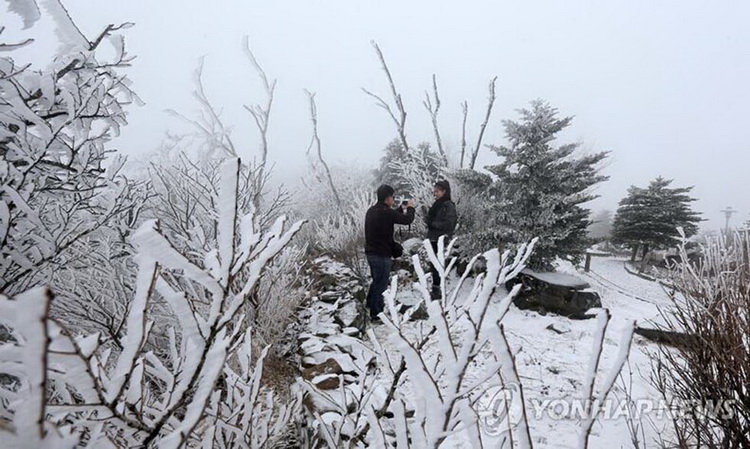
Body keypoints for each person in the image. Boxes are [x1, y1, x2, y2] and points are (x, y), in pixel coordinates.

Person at [365, 185, 415, 323]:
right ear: (388, 197)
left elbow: (390, 217)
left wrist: (399, 209)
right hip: (381, 254)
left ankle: (369, 304)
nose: (393, 199)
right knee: (381, 285)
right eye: (392, 197)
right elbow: (407, 220)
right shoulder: (386, 212)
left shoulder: (372, 211)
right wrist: (410, 208)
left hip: (371, 252)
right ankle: (376, 314)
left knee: (377, 280)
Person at [425, 180, 457, 299]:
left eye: (437, 191)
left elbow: (449, 224)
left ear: (444, 191)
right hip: (433, 238)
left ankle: (437, 291)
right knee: (434, 265)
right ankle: (436, 290)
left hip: (440, 240)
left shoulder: (448, 205)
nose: (435, 194)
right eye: (434, 192)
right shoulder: (438, 204)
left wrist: (433, 224)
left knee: (437, 265)